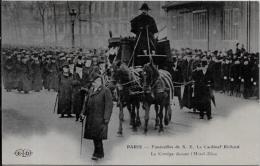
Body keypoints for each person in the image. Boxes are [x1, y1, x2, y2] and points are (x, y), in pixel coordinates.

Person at [81, 75, 113, 161]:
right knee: (94, 136)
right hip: (91, 117)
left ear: (101, 82)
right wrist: (83, 113)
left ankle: (97, 153)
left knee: (98, 136)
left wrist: (106, 118)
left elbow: (109, 106)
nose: (96, 83)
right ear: (92, 82)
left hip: (100, 118)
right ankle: (100, 153)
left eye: (99, 81)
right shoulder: (91, 90)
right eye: (95, 81)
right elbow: (86, 102)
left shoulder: (106, 91)